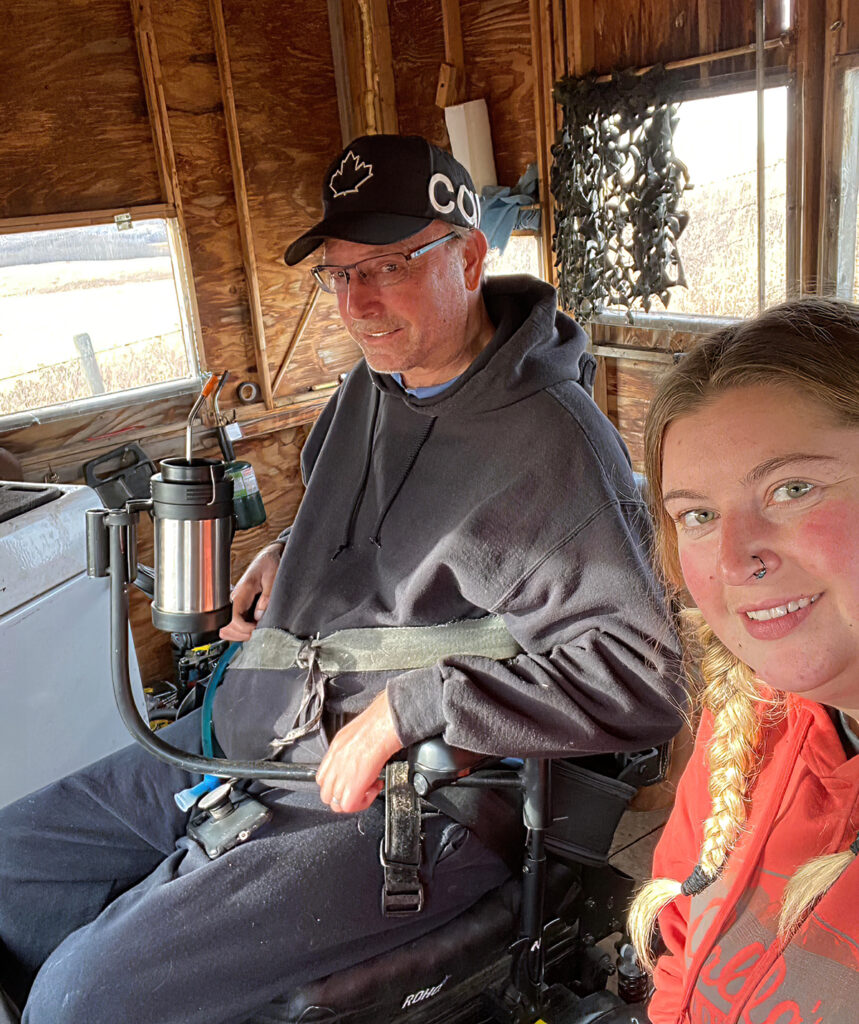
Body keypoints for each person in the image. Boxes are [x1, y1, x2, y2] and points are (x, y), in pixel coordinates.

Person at [0, 134, 683, 1024]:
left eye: (389, 266)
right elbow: (368, 524)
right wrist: (288, 553)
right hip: (254, 736)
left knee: (83, 998)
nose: (358, 302)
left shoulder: (553, 444)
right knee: (11, 872)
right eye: (338, 274)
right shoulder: (371, 387)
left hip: (412, 796)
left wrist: (412, 708)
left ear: (469, 257)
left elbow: (644, 678)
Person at [628, 298, 859, 1023]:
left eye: (791, 489)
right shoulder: (748, 730)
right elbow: (677, 955)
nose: (732, 560)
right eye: (697, 515)